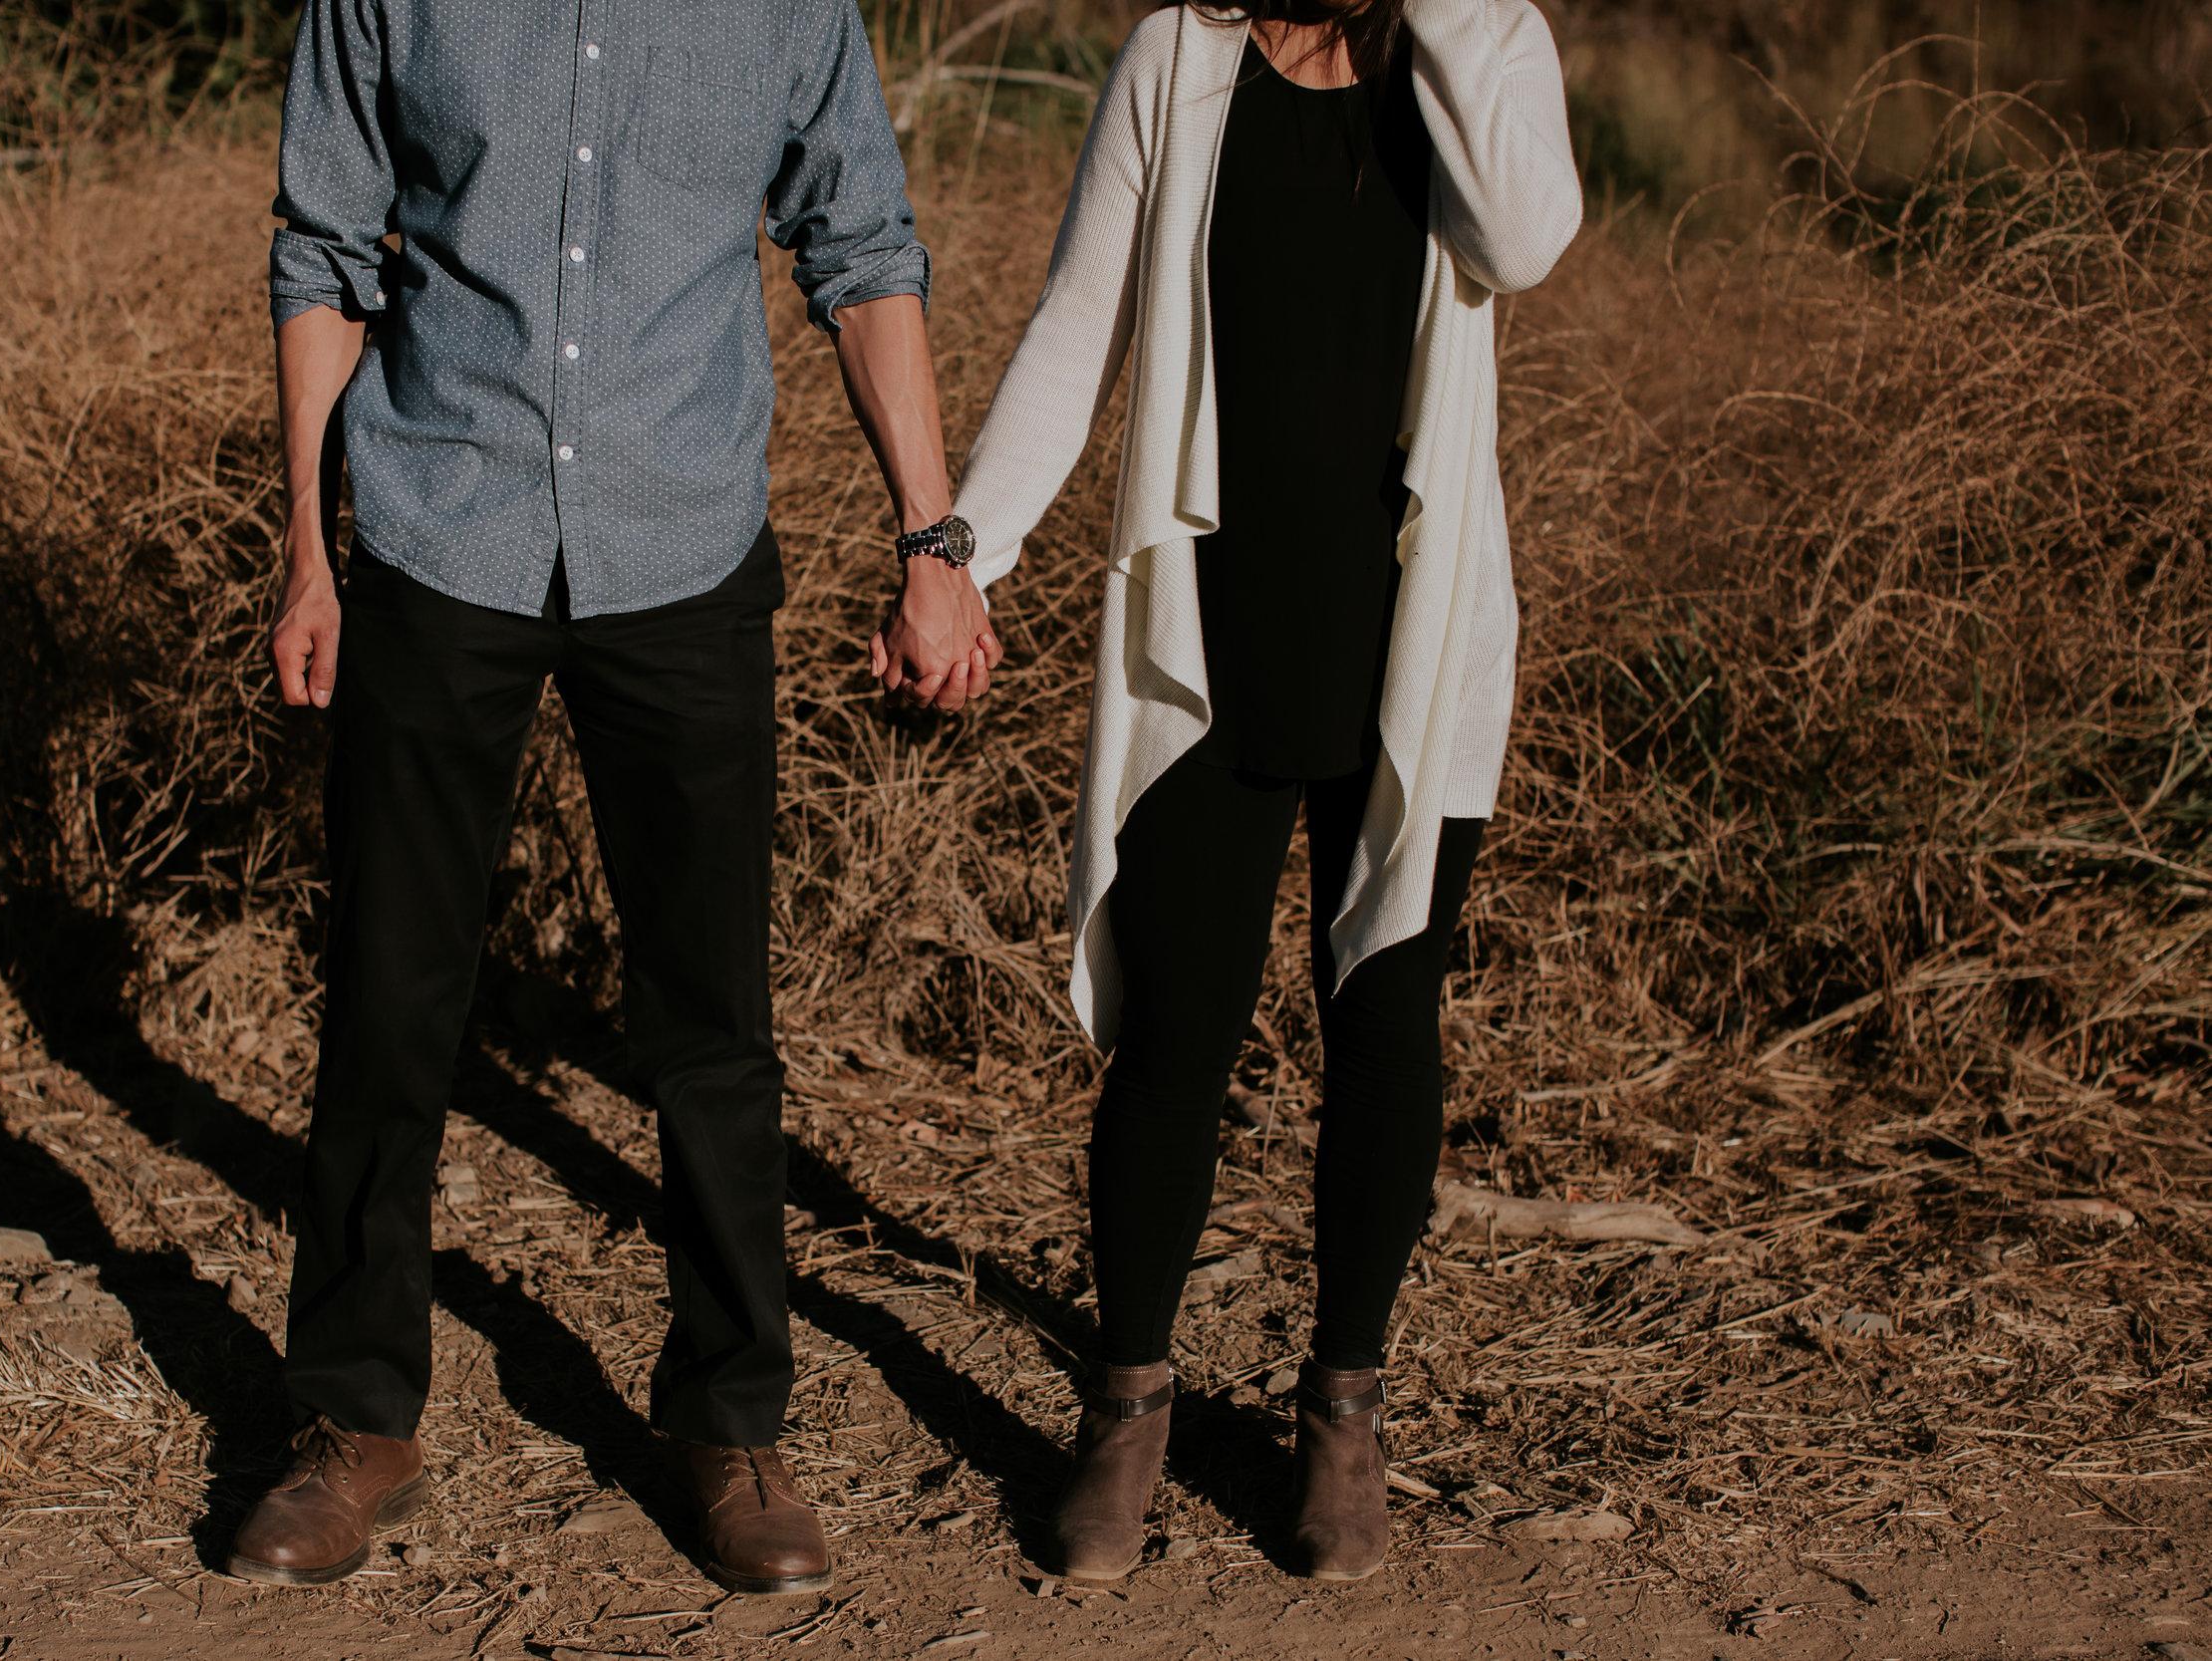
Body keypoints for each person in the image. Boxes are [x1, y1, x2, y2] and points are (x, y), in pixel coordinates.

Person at [235, 0, 1001, 1594]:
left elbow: (861, 247)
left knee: (711, 1023)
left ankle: (730, 1419)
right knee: (389, 999)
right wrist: (311, 553)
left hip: (685, 542)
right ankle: (353, 1416)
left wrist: (934, 544)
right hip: (445, 528)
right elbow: (325, 253)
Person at [948, 0, 1580, 1585]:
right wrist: (965, 549)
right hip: (1205, 635)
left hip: (1409, 641)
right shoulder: (1177, 60)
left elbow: (1528, 234)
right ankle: (1129, 1407)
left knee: (1385, 1017)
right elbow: (1078, 320)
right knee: (1177, 1030)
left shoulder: (1480, 46)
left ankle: (1344, 1416)